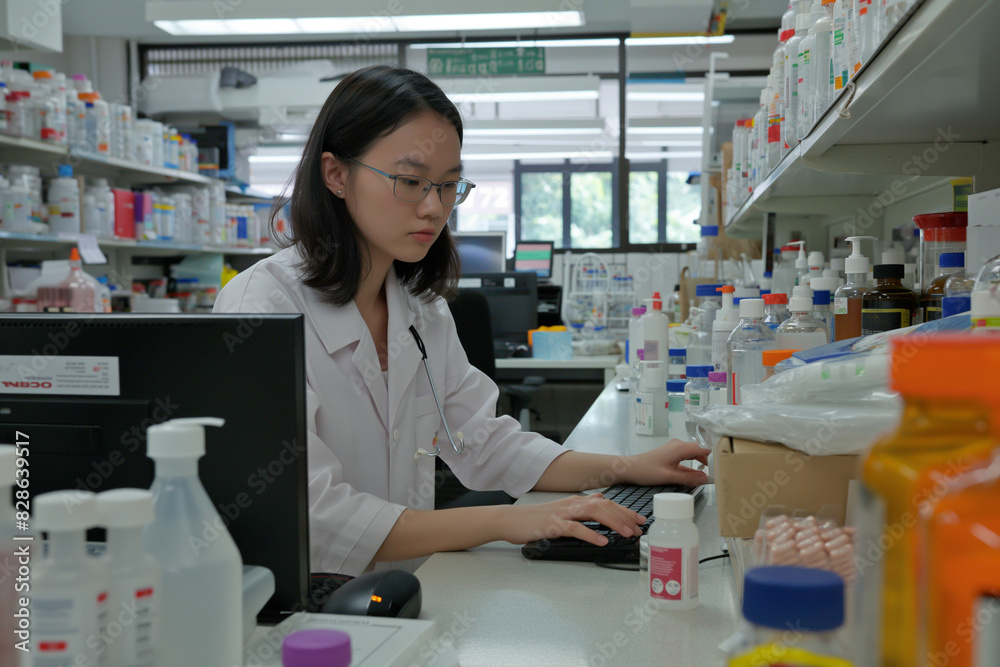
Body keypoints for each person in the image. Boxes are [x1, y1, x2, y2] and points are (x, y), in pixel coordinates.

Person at [214, 65, 708, 576]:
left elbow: (484, 439)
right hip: (301, 617)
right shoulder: (260, 308)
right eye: (409, 181)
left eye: (449, 185)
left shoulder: (416, 305)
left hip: (404, 587)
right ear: (336, 174)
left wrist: (628, 468)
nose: (434, 207)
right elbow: (314, 513)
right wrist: (509, 521)